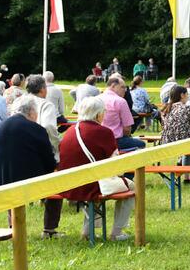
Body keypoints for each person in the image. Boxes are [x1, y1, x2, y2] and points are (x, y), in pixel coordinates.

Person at [57, 96, 134, 241]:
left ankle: (88, 231)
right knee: (132, 187)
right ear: (99, 115)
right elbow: (116, 166)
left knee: (97, 180)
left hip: (68, 184)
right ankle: (116, 232)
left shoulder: (70, 131)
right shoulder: (104, 132)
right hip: (90, 185)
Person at [0, 94, 64, 238]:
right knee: (56, 186)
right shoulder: (36, 129)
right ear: (31, 112)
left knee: (12, 179)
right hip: (26, 183)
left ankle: (13, 227)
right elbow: (49, 161)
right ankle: (49, 230)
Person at [101, 74, 145, 152]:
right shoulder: (120, 101)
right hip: (115, 140)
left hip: (98, 140)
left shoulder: (97, 98)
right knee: (142, 144)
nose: (125, 90)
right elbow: (127, 129)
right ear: (113, 86)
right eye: (122, 87)